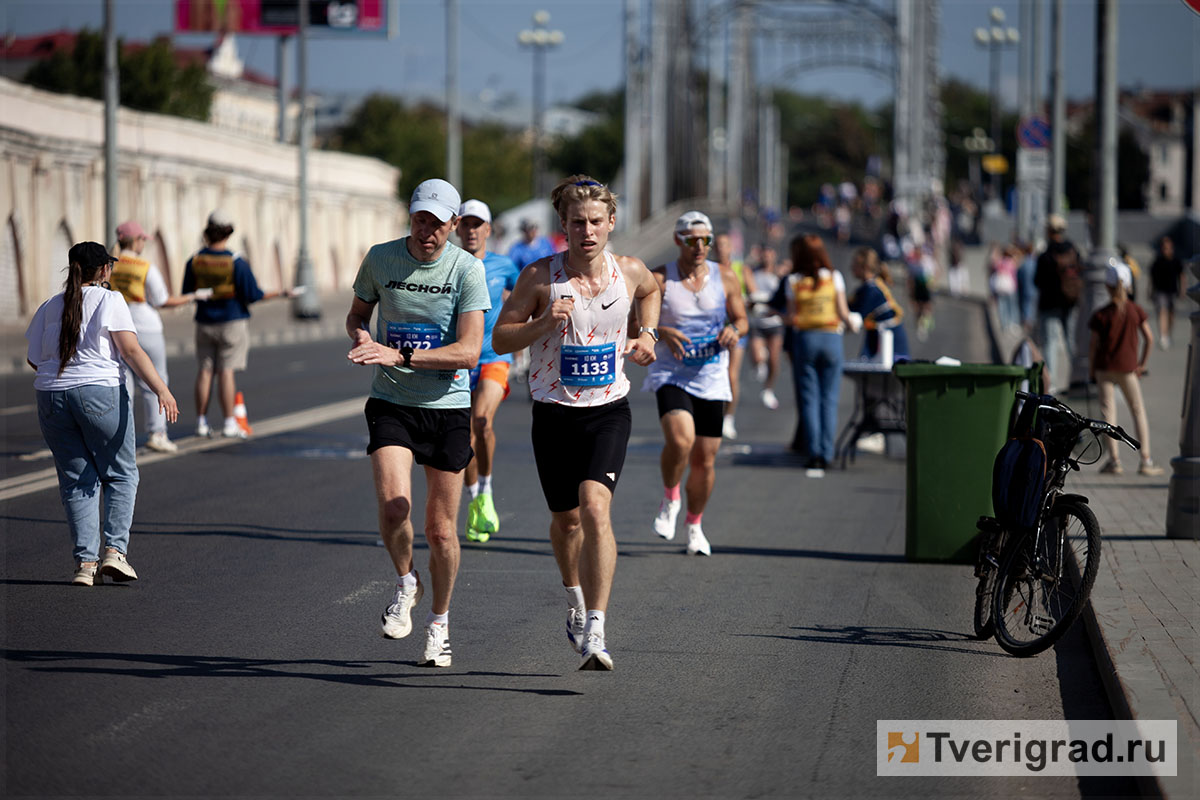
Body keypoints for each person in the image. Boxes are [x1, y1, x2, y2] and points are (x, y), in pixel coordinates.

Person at [492, 175, 660, 671]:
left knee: (595, 508)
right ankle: (575, 600)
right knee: (566, 522)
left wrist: (647, 334)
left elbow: (651, 290)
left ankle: (597, 630)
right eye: (577, 222)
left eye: (595, 222)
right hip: (554, 412)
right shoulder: (539, 278)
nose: (587, 231)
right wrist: (544, 322)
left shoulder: (629, 270)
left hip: (608, 410)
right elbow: (500, 339)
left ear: (611, 223)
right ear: (563, 226)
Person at [345, 178, 490, 668]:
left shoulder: (467, 269)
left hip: (448, 406)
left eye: (438, 224)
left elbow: (469, 352)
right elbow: (356, 315)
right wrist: (362, 337)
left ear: (454, 224)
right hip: (392, 401)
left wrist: (400, 354)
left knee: (442, 531)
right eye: (420, 220)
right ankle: (407, 580)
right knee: (394, 508)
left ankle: (439, 623)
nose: (428, 232)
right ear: (410, 218)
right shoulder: (381, 258)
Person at [25, 242, 179, 585]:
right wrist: (161, 389)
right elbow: (131, 350)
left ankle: (85, 565)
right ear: (105, 270)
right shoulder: (111, 300)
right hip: (100, 393)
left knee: (76, 480)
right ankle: (115, 553)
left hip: (50, 397)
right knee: (121, 474)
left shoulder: (50, 305)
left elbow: (34, 359)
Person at [644, 212, 748, 556]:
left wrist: (734, 330)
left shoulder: (725, 276)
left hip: (711, 376)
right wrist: (662, 331)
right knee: (681, 440)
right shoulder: (660, 278)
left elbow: (742, 319)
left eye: (706, 240)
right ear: (678, 240)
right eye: (692, 240)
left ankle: (694, 524)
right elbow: (635, 324)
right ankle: (670, 497)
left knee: (705, 460)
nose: (700, 246)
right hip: (671, 373)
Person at [182, 210, 296, 439]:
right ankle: (228, 423)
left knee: (205, 371)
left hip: (204, 321)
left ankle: (201, 422)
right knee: (226, 372)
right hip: (231, 322)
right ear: (228, 232)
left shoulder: (194, 261)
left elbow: (187, 293)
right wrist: (282, 293)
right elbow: (253, 295)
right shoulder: (236, 262)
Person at [455, 199, 519, 543]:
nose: (471, 231)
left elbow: (526, 295)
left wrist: (520, 330)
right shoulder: (446, 264)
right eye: (465, 224)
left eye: (477, 224)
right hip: (457, 360)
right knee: (463, 437)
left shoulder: (503, 265)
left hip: (494, 355)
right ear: (457, 228)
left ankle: (487, 489)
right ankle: (474, 501)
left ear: (488, 229)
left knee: (482, 422)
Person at [111, 220, 202, 453]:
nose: (144, 243)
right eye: (143, 239)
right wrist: (192, 297)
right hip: (147, 328)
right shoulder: (144, 267)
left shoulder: (111, 265)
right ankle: (157, 433)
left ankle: (122, 437)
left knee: (123, 383)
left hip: (118, 328)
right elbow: (162, 300)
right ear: (136, 241)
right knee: (154, 379)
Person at [772, 234, 859, 477]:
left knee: (809, 398)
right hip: (831, 338)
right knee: (829, 398)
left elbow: (791, 317)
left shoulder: (794, 280)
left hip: (806, 339)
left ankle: (814, 453)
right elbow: (843, 312)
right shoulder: (834, 277)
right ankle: (827, 452)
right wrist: (852, 325)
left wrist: (778, 316)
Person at [1088, 262, 1164, 477]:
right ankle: (1145, 460)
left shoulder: (1102, 314)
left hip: (1104, 367)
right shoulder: (1135, 310)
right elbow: (1149, 338)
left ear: (1107, 286)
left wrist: (1091, 370)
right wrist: (1142, 364)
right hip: (1128, 368)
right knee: (1138, 410)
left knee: (1108, 413)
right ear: (1129, 285)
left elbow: (1093, 346)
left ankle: (1114, 461)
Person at [1033, 214, 1083, 393]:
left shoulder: (1046, 255)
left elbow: (1037, 281)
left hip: (1049, 304)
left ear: (1049, 231)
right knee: (1071, 341)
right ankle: (1077, 378)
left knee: (1050, 343)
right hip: (1070, 302)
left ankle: (1051, 383)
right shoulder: (1073, 251)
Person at [714, 232, 750, 437]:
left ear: (730, 248)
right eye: (718, 245)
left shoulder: (740, 269)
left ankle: (728, 417)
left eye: (725, 245)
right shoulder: (707, 270)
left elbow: (754, 292)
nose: (721, 249)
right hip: (713, 331)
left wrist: (742, 300)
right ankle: (713, 414)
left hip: (735, 328)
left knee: (731, 375)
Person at [848, 247, 909, 364]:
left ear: (865, 267)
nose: (851, 267)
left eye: (855, 264)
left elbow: (856, 318)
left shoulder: (872, 290)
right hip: (876, 338)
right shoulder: (866, 288)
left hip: (891, 341)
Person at [747, 247, 787, 410]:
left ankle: (768, 389)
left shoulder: (780, 276)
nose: (767, 259)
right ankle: (760, 361)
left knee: (774, 361)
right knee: (757, 357)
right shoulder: (753, 274)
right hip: (758, 323)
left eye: (770, 256)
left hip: (774, 323)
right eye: (764, 256)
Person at [1148, 236, 1185, 350]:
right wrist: (1150, 291)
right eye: (1163, 248)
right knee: (1162, 312)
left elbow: (1182, 276)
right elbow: (1151, 278)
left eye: (1167, 248)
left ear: (1171, 248)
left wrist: (1182, 290)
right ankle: (1163, 336)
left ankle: (1168, 334)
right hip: (1160, 291)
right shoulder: (1157, 261)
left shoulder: (1176, 261)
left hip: (1172, 291)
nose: (1165, 250)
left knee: (1171, 314)